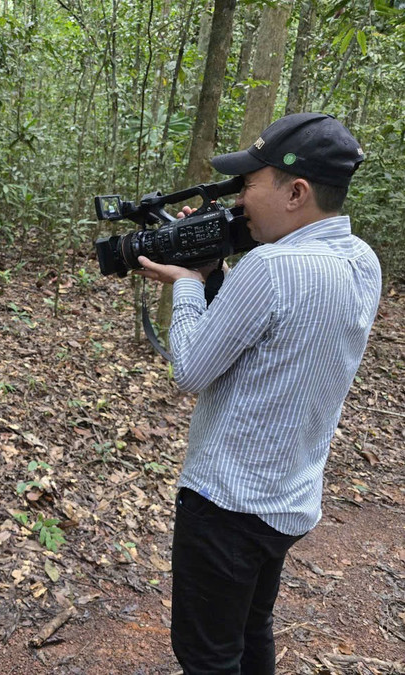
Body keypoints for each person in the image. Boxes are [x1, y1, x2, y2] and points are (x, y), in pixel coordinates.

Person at [136, 113, 382, 673]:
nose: (239, 200)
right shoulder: (362, 260)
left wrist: (189, 285)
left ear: (296, 193)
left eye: (249, 184)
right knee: (251, 629)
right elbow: (274, 336)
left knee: (208, 656)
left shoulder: (271, 266)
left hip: (226, 503)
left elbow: (190, 371)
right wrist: (214, 271)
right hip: (288, 496)